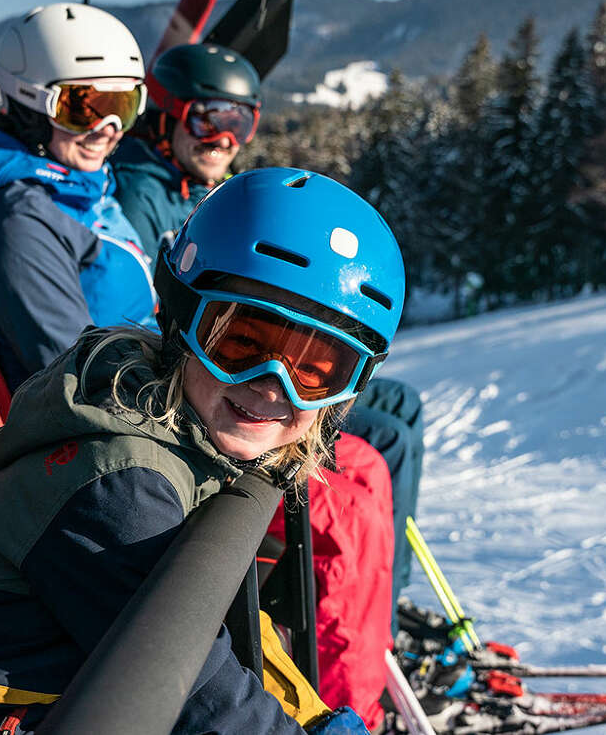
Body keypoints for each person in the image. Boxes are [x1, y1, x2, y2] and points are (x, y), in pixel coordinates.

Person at [0, 167, 405, 734]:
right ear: (180, 320)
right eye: (241, 342)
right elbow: (197, 686)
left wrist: (317, 718)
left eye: (317, 370)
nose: (273, 385)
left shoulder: (186, 434)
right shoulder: (117, 485)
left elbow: (225, 637)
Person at [112, 42, 424, 628]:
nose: (225, 137)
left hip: (227, 359)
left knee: (402, 408)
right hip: (202, 367)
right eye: (210, 117)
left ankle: (383, 596)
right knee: (377, 449)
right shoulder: (147, 195)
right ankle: (366, 610)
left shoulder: (209, 187)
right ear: (167, 114)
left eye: (241, 121)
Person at [0, 2, 155, 391]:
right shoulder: (19, 221)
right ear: (30, 103)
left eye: (123, 107)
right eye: (83, 109)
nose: (108, 130)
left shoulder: (81, 184)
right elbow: (81, 378)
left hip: (150, 375)